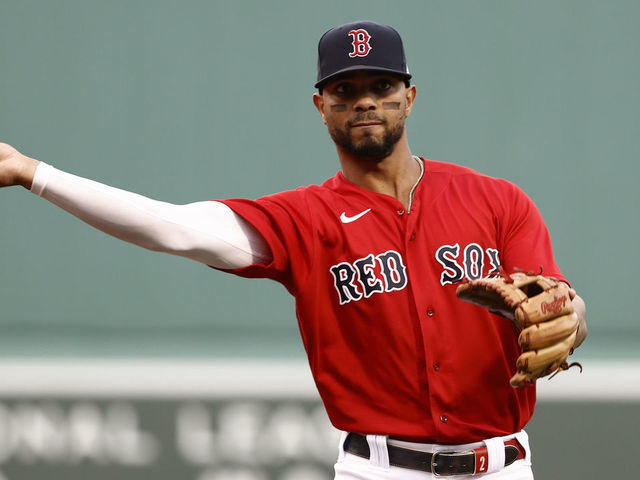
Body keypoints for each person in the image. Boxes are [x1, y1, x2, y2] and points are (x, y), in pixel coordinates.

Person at [0, 20, 586, 480]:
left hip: (502, 466)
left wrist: (574, 317)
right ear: (320, 105)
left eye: (382, 86)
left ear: (410, 97)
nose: (365, 102)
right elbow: (174, 228)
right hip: (377, 469)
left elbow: (554, 304)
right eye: (345, 90)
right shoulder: (302, 220)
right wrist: (33, 173)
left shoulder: (496, 201)